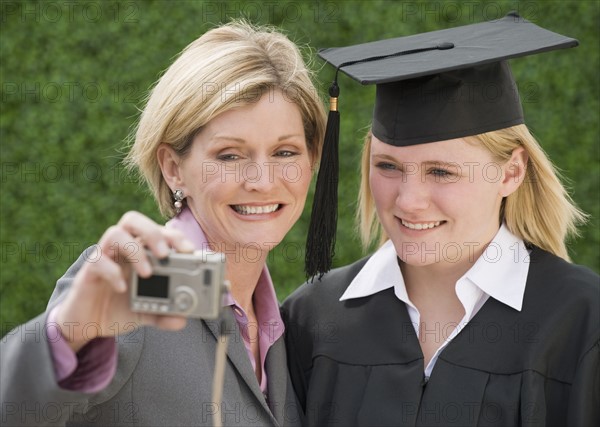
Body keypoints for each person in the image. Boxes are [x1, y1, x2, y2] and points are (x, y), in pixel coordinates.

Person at [1, 20, 326, 426]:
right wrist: (66, 335)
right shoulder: (138, 283)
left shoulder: (283, 329)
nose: (262, 181)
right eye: (229, 155)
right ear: (174, 168)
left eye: (285, 153)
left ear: (312, 160)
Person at [282, 13, 599, 426]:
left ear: (510, 172)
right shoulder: (313, 317)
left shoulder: (582, 320)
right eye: (388, 166)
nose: (409, 201)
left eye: (441, 172)